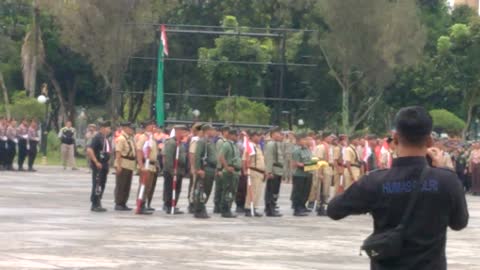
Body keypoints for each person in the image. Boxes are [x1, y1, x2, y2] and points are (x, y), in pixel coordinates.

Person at [327, 106, 469, 270]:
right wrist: (445, 170)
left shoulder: (375, 181)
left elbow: (334, 210)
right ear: (430, 141)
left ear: (395, 138)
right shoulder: (447, 180)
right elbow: (459, 223)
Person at [162, 124, 188, 214]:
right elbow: (168, 158)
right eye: (183, 131)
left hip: (179, 170)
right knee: (170, 189)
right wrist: (172, 171)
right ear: (177, 131)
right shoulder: (171, 142)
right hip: (172, 171)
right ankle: (169, 205)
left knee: (177, 189)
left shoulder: (180, 143)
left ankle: (173, 205)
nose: (184, 133)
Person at [86, 121, 112, 212]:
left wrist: (107, 165)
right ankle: (95, 203)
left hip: (104, 165)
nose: (109, 130)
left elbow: (107, 152)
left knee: (102, 184)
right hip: (98, 165)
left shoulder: (105, 138)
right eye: (108, 128)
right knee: (97, 184)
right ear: (102, 128)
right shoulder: (97, 137)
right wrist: (96, 161)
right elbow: (89, 150)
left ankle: (99, 201)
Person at [193, 124, 217, 219]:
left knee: (207, 190)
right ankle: (199, 209)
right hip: (205, 169)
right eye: (212, 130)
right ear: (207, 131)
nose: (214, 132)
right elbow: (197, 155)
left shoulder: (210, 142)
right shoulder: (202, 142)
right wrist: (198, 169)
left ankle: (202, 207)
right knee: (201, 190)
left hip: (211, 169)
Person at [135, 120, 158, 215]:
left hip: (152, 166)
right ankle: (140, 205)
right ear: (148, 127)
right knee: (143, 186)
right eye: (153, 126)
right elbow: (139, 151)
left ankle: (144, 204)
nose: (155, 127)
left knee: (148, 187)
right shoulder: (143, 137)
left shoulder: (152, 138)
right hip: (146, 165)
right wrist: (141, 166)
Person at [218, 129, 242, 218]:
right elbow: (221, 156)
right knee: (227, 192)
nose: (238, 137)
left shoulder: (235, 145)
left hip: (235, 172)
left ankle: (228, 208)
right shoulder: (227, 145)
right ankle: (225, 210)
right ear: (231, 135)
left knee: (232, 192)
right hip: (229, 172)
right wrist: (226, 167)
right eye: (236, 135)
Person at [114, 122, 136, 211]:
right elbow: (118, 153)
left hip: (129, 164)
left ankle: (123, 202)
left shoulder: (130, 139)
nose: (132, 130)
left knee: (127, 185)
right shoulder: (121, 139)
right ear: (125, 128)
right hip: (123, 163)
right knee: (121, 185)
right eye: (130, 128)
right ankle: (118, 203)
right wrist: (118, 165)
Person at [244, 130, 265, 217]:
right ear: (252, 137)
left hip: (260, 172)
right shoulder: (250, 146)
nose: (259, 137)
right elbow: (245, 159)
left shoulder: (258, 147)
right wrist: (245, 170)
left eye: (259, 136)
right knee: (252, 191)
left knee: (258, 192)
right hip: (253, 171)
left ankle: (255, 207)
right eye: (257, 135)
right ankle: (248, 208)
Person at [291, 133, 313, 217]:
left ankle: (302, 206)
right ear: (299, 141)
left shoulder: (307, 150)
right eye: (304, 140)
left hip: (308, 173)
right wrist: (306, 165)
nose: (305, 141)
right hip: (299, 174)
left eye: (306, 140)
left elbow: (311, 160)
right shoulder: (296, 151)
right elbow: (295, 163)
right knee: (298, 192)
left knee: (306, 192)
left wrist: (313, 164)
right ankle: (297, 209)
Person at [264, 127, 284, 217]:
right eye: (279, 133)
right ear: (274, 134)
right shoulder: (271, 144)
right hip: (274, 171)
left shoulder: (277, 144)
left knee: (275, 191)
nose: (281, 135)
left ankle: (272, 206)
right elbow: (269, 158)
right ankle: (269, 209)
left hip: (278, 171)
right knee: (271, 191)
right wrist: (269, 172)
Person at [213, 125, 231, 213]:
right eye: (227, 131)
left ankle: (221, 204)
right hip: (221, 167)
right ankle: (217, 206)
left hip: (226, 167)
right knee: (219, 187)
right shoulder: (221, 141)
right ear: (223, 132)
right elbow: (219, 156)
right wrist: (219, 168)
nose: (229, 133)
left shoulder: (228, 142)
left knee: (224, 187)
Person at [187, 123, 203, 213]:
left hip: (200, 167)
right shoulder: (195, 140)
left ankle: (196, 201)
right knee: (193, 185)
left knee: (198, 185)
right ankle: (191, 203)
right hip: (195, 167)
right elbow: (192, 154)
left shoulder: (201, 140)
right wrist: (193, 167)